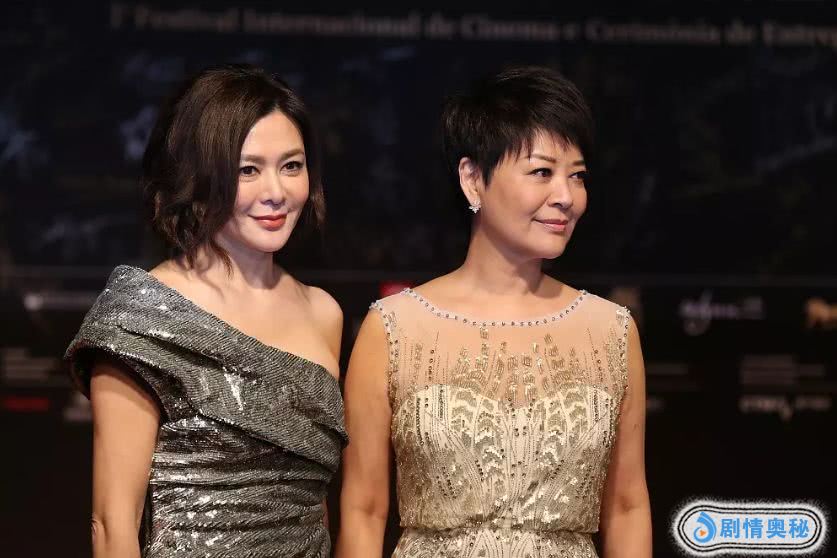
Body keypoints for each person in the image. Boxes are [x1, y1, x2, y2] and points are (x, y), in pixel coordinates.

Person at [338, 66, 651, 557]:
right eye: (542, 172)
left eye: (577, 176)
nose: (566, 197)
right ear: (473, 180)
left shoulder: (611, 331)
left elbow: (628, 507)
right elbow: (364, 509)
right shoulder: (395, 327)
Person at [65, 64, 346, 558]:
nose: (276, 192)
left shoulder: (323, 313)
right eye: (248, 170)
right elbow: (112, 525)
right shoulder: (141, 317)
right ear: (200, 176)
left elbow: (311, 505)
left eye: (292, 166)